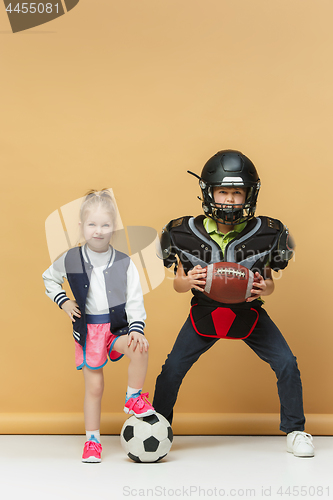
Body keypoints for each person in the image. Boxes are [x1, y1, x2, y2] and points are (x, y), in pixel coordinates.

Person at [153, 150, 314, 458]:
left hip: (248, 312)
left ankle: (296, 430)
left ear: (248, 195)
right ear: (208, 192)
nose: (228, 199)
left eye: (236, 193)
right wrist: (187, 282)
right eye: (222, 191)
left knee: (287, 364)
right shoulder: (181, 231)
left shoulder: (269, 232)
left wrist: (262, 288)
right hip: (205, 311)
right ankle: (158, 426)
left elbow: (269, 283)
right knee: (172, 368)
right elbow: (177, 282)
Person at [43, 189, 155, 463]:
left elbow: (134, 299)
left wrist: (137, 329)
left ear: (113, 228)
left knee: (140, 348)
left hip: (116, 327)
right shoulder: (71, 259)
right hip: (90, 332)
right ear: (81, 227)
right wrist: (64, 302)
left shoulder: (124, 262)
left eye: (105, 225)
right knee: (94, 388)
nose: (98, 231)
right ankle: (92, 440)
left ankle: (133, 397)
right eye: (92, 224)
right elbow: (48, 278)